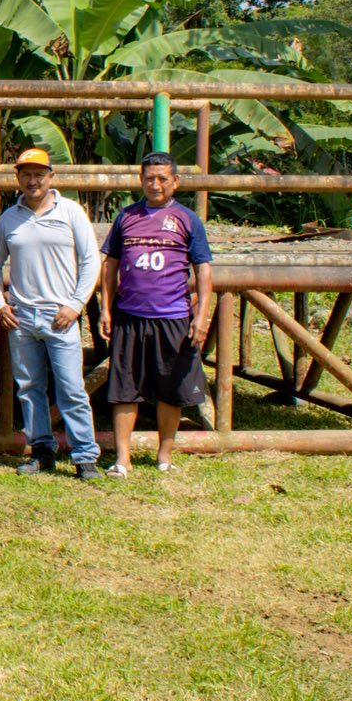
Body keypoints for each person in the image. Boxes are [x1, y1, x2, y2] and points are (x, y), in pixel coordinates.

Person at [98, 152, 214, 476]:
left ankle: (165, 457)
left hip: (173, 317)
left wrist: (202, 315)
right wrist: (105, 308)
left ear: (175, 181)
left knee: (171, 390)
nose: (155, 184)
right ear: (141, 181)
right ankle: (122, 459)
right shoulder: (126, 216)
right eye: (149, 178)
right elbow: (110, 265)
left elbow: (203, 269)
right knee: (124, 389)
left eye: (162, 178)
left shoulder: (187, 219)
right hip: (130, 316)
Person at [0, 147, 103, 480]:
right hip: (22, 316)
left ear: (51, 177)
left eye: (39, 174)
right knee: (29, 388)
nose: (32, 180)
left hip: (61, 315)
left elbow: (91, 261)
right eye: (26, 174)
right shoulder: (9, 218)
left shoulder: (70, 212)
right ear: (18, 178)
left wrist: (76, 304)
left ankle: (85, 456)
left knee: (71, 388)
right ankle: (41, 451)